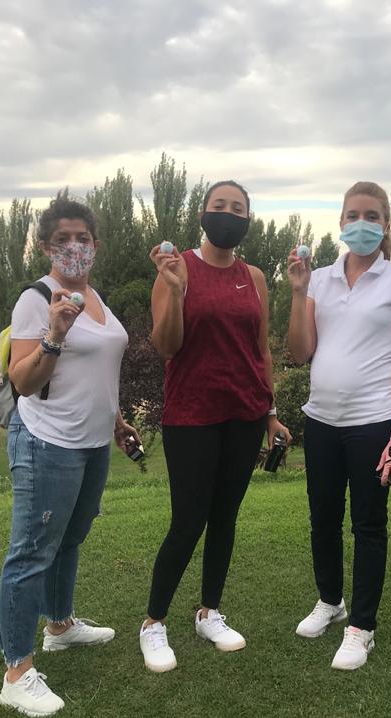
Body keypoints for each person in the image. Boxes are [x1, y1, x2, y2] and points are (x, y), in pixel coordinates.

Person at [0, 193, 140, 717]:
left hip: (93, 442)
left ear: (96, 245)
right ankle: (17, 673)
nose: (75, 247)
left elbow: (98, 370)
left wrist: (117, 421)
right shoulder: (36, 300)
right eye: (63, 239)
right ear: (45, 246)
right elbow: (22, 381)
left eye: (83, 238)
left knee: (70, 538)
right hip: (47, 442)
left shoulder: (96, 297)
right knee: (32, 551)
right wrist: (54, 335)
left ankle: (59, 626)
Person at [138, 180, 289, 672]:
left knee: (225, 518)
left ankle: (210, 612)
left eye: (237, 207)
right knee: (188, 522)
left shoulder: (255, 277)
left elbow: (261, 352)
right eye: (219, 205)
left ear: (248, 219)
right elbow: (166, 346)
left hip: (245, 414)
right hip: (191, 415)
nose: (228, 213)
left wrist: (270, 412)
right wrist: (175, 290)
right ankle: (154, 623)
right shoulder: (176, 268)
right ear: (203, 213)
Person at [286, 181, 391, 670]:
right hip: (322, 419)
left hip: (374, 421)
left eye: (371, 216)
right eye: (352, 215)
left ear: (385, 225)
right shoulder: (318, 279)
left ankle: (362, 627)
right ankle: (331, 601)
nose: (360, 223)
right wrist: (298, 292)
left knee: (368, 525)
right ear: (340, 222)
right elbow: (299, 351)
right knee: (322, 518)